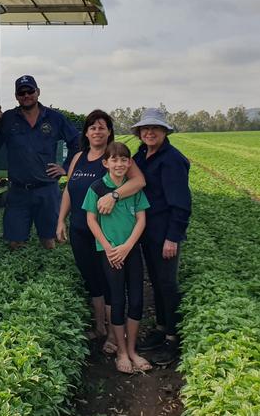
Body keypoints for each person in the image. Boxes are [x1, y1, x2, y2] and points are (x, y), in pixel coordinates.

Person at [56, 110, 146, 353]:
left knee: (110, 283)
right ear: (86, 132)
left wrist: (114, 195)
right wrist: (61, 220)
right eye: (92, 127)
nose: (97, 131)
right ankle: (100, 327)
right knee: (91, 280)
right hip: (80, 230)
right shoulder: (78, 158)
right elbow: (68, 191)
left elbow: (139, 182)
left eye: (102, 127)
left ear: (109, 132)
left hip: (105, 233)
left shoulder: (115, 158)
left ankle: (114, 338)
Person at [83, 142, 152, 374]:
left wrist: (127, 246)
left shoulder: (133, 189)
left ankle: (133, 350)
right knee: (117, 300)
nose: (120, 163)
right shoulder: (96, 188)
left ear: (130, 163)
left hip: (130, 251)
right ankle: (121, 351)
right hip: (110, 253)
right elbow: (91, 220)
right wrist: (109, 248)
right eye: (114, 159)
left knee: (136, 299)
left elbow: (141, 219)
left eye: (124, 159)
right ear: (105, 163)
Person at [0, 75, 80, 250]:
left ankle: (45, 272)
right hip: (18, 191)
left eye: (30, 91)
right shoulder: (8, 118)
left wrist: (66, 168)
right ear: (16, 96)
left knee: (48, 241)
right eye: (21, 92)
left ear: (38, 92)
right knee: (14, 243)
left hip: (46, 190)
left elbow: (77, 143)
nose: (26, 95)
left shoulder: (55, 118)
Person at [131, 108, 191, 366]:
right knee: (156, 281)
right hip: (148, 231)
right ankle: (160, 327)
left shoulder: (172, 159)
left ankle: (172, 340)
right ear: (140, 133)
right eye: (145, 129)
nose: (150, 132)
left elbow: (181, 203)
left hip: (164, 232)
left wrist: (173, 237)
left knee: (167, 284)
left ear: (165, 131)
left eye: (155, 128)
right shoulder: (142, 156)